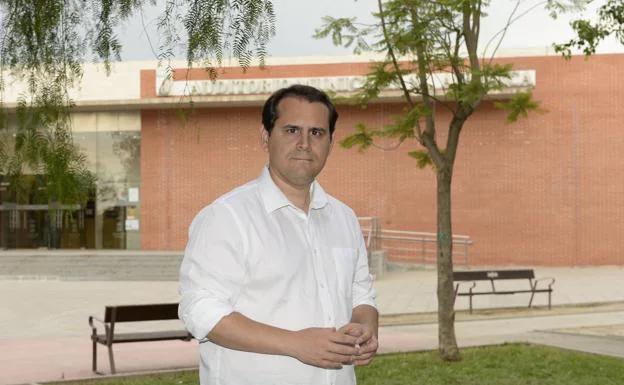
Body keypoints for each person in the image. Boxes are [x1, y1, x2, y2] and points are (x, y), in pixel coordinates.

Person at [178, 84, 379, 385]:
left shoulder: (344, 219)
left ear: (330, 142)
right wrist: (295, 344)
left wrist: (365, 328)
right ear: (265, 136)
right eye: (291, 130)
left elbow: (362, 294)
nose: (304, 143)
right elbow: (201, 310)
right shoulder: (226, 217)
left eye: (316, 133)